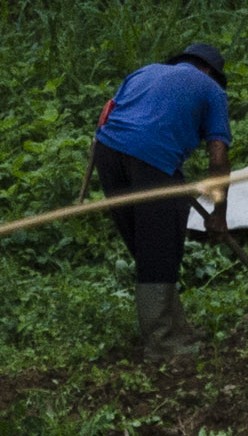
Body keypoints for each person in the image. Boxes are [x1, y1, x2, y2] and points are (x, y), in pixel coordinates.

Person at [90, 40, 231, 356]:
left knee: (148, 247)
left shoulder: (145, 72)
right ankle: (163, 343)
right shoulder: (212, 91)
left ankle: (174, 330)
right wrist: (219, 213)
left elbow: (108, 114)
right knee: (161, 247)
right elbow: (219, 158)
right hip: (152, 157)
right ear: (209, 70)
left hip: (108, 153)